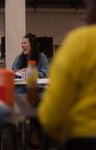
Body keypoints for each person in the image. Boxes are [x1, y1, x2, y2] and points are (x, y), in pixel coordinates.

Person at [37, 0, 96, 149]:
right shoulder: (19, 57)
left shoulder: (80, 41)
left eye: (88, 5)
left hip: (85, 137)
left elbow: (52, 115)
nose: (84, 13)